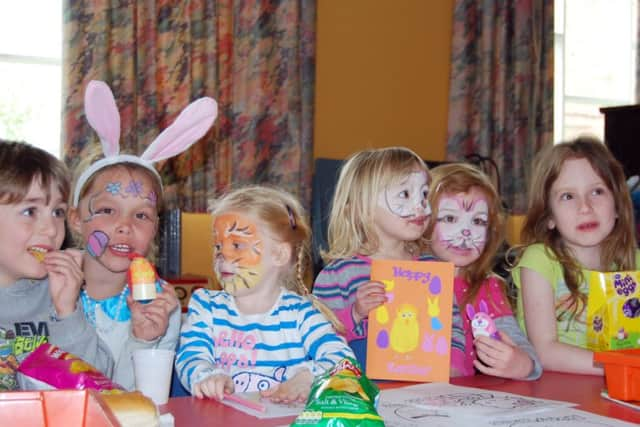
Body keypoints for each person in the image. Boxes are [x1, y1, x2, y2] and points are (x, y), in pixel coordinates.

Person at [68, 80, 218, 389]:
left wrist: (144, 340)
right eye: (108, 211)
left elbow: (139, 402)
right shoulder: (48, 288)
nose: (125, 226)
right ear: (75, 219)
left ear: (154, 229)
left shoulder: (163, 304)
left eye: (141, 215)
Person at [176, 186, 354, 402]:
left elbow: (343, 360)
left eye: (237, 245)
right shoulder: (206, 307)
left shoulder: (300, 314)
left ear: (279, 254)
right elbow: (190, 357)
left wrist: (308, 377)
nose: (223, 254)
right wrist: (206, 376)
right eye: (218, 246)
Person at [312, 147, 466, 375]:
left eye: (424, 194)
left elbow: (454, 336)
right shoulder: (337, 275)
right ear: (361, 209)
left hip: (426, 396)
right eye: (405, 194)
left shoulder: (435, 271)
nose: (421, 206)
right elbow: (317, 342)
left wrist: (453, 367)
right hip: (361, 398)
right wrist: (355, 313)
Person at [512, 137, 639, 375]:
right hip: (554, 396)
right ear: (548, 216)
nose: (585, 207)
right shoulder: (540, 261)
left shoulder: (635, 265)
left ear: (619, 207)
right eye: (568, 196)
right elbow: (545, 351)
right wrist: (617, 366)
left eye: (597, 191)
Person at [0, 140, 114, 388]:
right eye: (30, 211)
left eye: (58, 212)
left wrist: (67, 312)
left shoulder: (56, 294)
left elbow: (96, 385)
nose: (51, 229)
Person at [426, 163, 541, 379]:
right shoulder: (403, 278)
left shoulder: (488, 288)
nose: (466, 231)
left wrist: (522, 364)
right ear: (423, 222)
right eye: (450, 218)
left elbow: (527, 356)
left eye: (478, 221)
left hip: (466, 401)